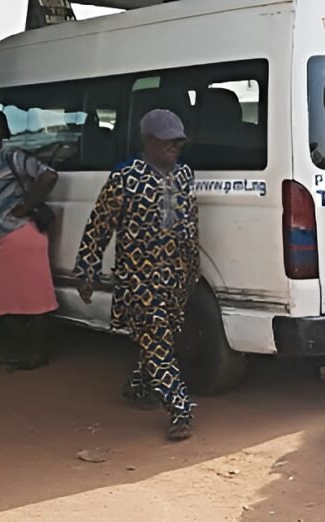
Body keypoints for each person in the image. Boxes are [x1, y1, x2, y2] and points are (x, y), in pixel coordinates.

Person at [74, 109, 200, 442]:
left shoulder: (184, 174)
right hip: (140, 278)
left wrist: (192, 269)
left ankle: (139, 386)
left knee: (161, 337)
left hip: (176, 275)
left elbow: (191, 223)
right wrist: (87, 269)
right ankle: (180, 409)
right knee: (156, 338)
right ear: (147, 140)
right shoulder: (125, 177)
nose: (173, 148)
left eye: (178, 142)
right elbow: (99, 226)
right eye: (166, 142)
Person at [0, 106, 59, 372]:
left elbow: (48, 175)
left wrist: (26, 205)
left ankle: (36, 353)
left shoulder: (11, 156)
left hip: (21, 235)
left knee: (34, 300)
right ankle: (25, 351)